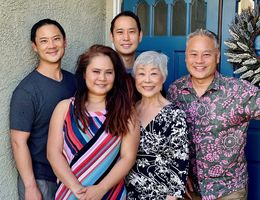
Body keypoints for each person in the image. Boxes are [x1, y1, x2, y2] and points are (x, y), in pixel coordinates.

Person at [167, 29, 260, 200]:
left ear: (217, 57)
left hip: (229, 190)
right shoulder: (175, 91)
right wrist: (178, 171)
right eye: (193, 54)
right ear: (186, 57)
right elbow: (167, 138)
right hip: (189, 191)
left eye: (206, 54)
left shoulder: (239, 91)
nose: (199, 61)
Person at [47, 44, 140, 200]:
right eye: (96, 72)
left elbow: (128, 157)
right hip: (69, 192)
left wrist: (100, 189)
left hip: (110, 193)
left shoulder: (126, 113)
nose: (102, 78)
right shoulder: (64, 108)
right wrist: (77, 189)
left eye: (108, 73)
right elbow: (53, 154)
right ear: (84, 73)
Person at [10, 18, 77, 200]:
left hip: (71, 174)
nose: (52, 45)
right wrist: (30, 186)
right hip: (41, 179)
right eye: (44, 41)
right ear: (34, 46)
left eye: (56, 39)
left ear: (65, 41)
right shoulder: (27, 91)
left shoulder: (74, 82)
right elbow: (18, 142)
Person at [126, 51, 189, 200]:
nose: (147, 80)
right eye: (141, 74)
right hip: (129, 193)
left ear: (163, 77)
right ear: (135, 78)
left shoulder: (175, 114)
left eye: (153, 74)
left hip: (161, 195)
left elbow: (180, 161)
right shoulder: (129, 110)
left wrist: (172, 197)